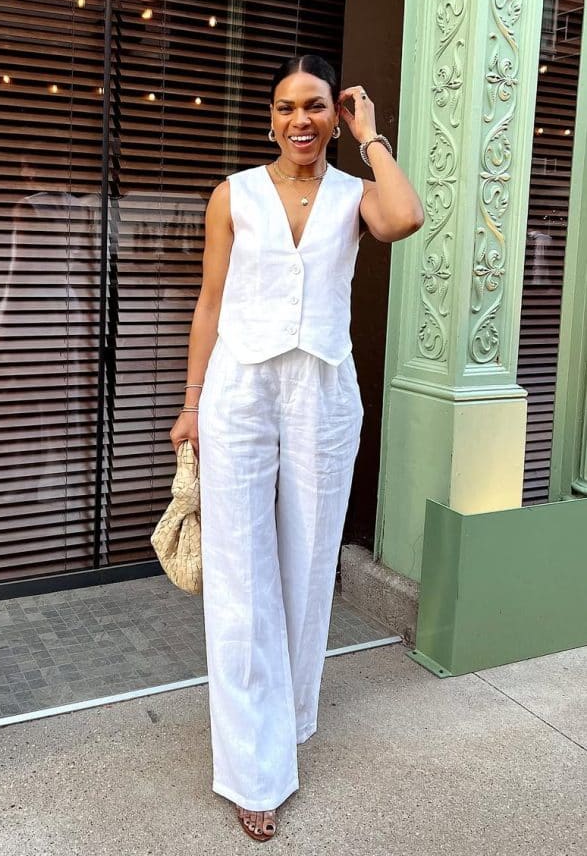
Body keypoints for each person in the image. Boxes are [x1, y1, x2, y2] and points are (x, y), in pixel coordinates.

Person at [169, 54, 424, 842]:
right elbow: (209, 302)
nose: (299, 121)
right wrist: (189, 406)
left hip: (321, 392)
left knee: (308, 566)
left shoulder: (356, 195)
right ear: (269, 117)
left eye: (315, 106)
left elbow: (406, 219)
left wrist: (373, 137)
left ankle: (284, 727)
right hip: (239, 393)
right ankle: (254, 772)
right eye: (286, 108)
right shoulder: (234, 195)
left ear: (334, 116)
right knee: (241, 579)